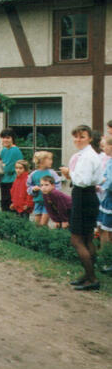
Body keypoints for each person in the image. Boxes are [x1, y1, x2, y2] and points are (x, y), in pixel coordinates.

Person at [60, 125, 103, 291]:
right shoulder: (90, 154)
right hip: (88, 196)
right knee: (87, 238)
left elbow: (83, 181)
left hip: (83, 196)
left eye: (82, 137)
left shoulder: (86, 157)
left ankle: (92, 278)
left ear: (90, 138)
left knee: (76, 239)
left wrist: (69, 173)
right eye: (76, 137)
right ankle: (88, 274)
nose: (78, 140)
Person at [27, 151, 61, 226]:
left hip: (48, 202)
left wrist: (52, 192)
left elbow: (58, 185)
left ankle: (45, 236)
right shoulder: (33, 174)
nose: (51, 161)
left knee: (43, 224)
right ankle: (42, 237)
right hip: (38, 202)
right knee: (37, 225)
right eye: (49, 159)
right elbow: (28, 187)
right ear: (42, 161)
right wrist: (33, 189)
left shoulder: (52, 173)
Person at [97, 135, 112, 273]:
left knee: (107, 231)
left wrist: (102, 187)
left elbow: (110, 181)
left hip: (110, 199)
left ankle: (108, 260)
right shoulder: (109, 161)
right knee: (103, 229)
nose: (103, 148)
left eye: (104, 145)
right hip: (106, 198)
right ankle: (104, 257)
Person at [0, 128, 23, 211]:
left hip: (13, 182)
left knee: (11, 207)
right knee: (4, 207)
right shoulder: (4, 150)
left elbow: (7, 169)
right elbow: (0, 165)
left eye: (8, 137)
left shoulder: (15, 151)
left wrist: (3, 166)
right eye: (3, 138)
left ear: (12, 138)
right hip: (4, 181)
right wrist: (3, 166)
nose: (5, 140)